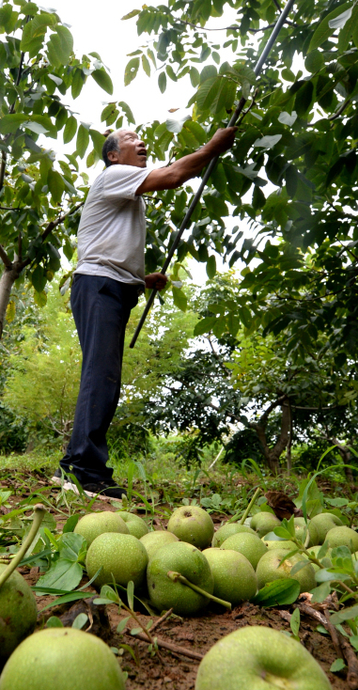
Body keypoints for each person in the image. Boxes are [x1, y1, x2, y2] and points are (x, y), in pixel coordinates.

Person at [55, 125, 237, 500]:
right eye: (131, 139)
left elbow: (112, 246)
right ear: (113, 155)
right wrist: (212, 148)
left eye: (141, 138)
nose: (142, 143)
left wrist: (141, 277)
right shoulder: (114, 176)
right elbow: (173, 176)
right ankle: (80, 469)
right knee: (100, 375)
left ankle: (86, 466)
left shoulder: (127, 192)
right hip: (99, 285)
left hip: (114, 286)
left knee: (105, 377)